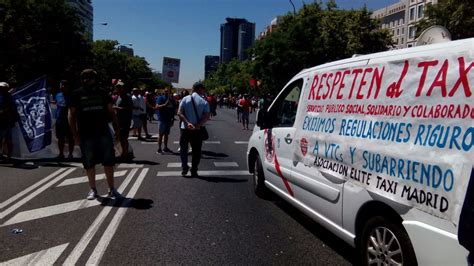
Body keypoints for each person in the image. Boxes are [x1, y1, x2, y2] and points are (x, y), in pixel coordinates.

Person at [68, 69, 122, 200]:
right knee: (89, 162)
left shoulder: (103, 93)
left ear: (94, 79)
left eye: (89, 78)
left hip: (103, 132)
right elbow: (71, 115)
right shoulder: (76, 94)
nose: (86, 80)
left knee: (108, 161)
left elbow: (111, 112)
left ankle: (112, 188)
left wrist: (117, 128)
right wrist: (75, 134)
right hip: (85, 134)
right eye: (84, 78)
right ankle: (93, 189)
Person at [177, 82, 210, 177]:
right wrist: (197, 125)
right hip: (197, 129)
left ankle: (184, 167)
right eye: (203, 89)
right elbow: (207, 116)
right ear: (200, 89)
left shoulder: (185, 98)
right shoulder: (203, 101)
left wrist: (188, 123)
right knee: (196, 151)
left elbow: (179, 113)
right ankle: (194, 169)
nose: (204, 91)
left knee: (183, 149)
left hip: (185, 128)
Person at [55, 80, 75, 160]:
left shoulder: (72, 96)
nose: (62, 87)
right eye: (61, 85)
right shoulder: (57, 95)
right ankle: (61, 154)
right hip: (59, 120)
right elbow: (55, 103)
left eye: (64, 85)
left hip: (69, 120)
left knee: (70, 137)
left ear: (67, 87)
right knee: (60, 138)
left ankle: (70, 154)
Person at [113, 81, 133, 161]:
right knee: (120, 137)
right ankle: (125, 152)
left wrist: (118, 108)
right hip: (118, 120)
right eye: (117, 87)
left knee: (124, 138)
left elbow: (130, 108)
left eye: (120, 87)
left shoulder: (127, 96)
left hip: (125, 120)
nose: (118, 88)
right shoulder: (118, 96)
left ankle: (124, 154)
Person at [155, 87, 176, 154]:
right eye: (166, 91)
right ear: (164, 91)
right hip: (162, 119)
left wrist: (173, 119)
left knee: (166, 134)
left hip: (168, 119)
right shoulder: (161, 98)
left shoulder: (172, 100)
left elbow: (173, 110)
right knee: (161, 134)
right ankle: (159, 149)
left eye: (169, 91)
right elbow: (157, 106)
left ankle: (165, 147)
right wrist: (164, 104)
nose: (168, 92)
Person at [0, 82, 17, 162]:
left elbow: (12, 108)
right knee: (5, 139)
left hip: (6, 121)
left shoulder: (8, 97)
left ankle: (8, 155)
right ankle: (4, 155)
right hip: (4, 121)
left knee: (7, 139)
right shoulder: (5, 96)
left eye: (2, 87)